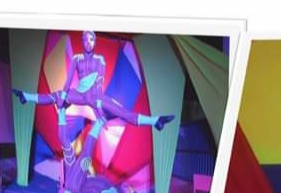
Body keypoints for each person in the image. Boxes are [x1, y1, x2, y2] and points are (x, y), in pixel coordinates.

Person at [13, 30, 174, 131]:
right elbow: (68, 81)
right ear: (82, 41)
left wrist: (97, 109)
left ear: (94, 42)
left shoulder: (100, 60)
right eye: (85, 39)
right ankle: (25, 96)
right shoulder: (76, 59)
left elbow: (99, 84)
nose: (88, 42)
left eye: (91, 39)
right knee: (56, 95)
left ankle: (155, 121)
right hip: (78, 94)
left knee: (123, 113)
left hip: (95, 97)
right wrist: (63, 96)